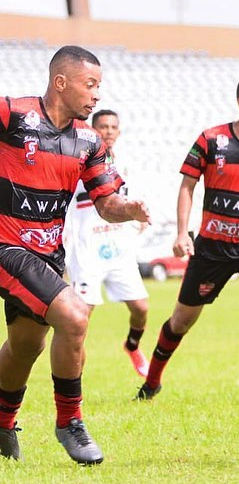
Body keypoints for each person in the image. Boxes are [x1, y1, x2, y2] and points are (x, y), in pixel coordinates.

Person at [0, 45, 150, 464]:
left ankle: (2, 420)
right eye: (91, 84)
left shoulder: (88, 140)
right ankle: (70, 421)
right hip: (6, 245)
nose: (97, 94)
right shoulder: (13, 114)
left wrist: (129, 210)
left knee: (25, 345)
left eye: (99, 86)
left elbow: (106, 201)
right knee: (75, 315)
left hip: (47, 254)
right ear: (60, 83)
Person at [134, 74, 239, 401]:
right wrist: (182, 232)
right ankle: (152, 382)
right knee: (181, 321)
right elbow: (187, 185)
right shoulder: (212, 140)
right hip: (211, 247)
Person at [63, 109, 151, 378]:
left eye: (113, 126)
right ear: (93, 130)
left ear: (119, 131)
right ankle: (73, 376)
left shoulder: (124, 165)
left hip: (118, 248)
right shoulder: (76, 162)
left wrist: (139, 221)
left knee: (141, 309)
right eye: (103, 126)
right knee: (81, 317)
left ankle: (132, 346)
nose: (109, 131)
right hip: (87, 249)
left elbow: (133, 200)